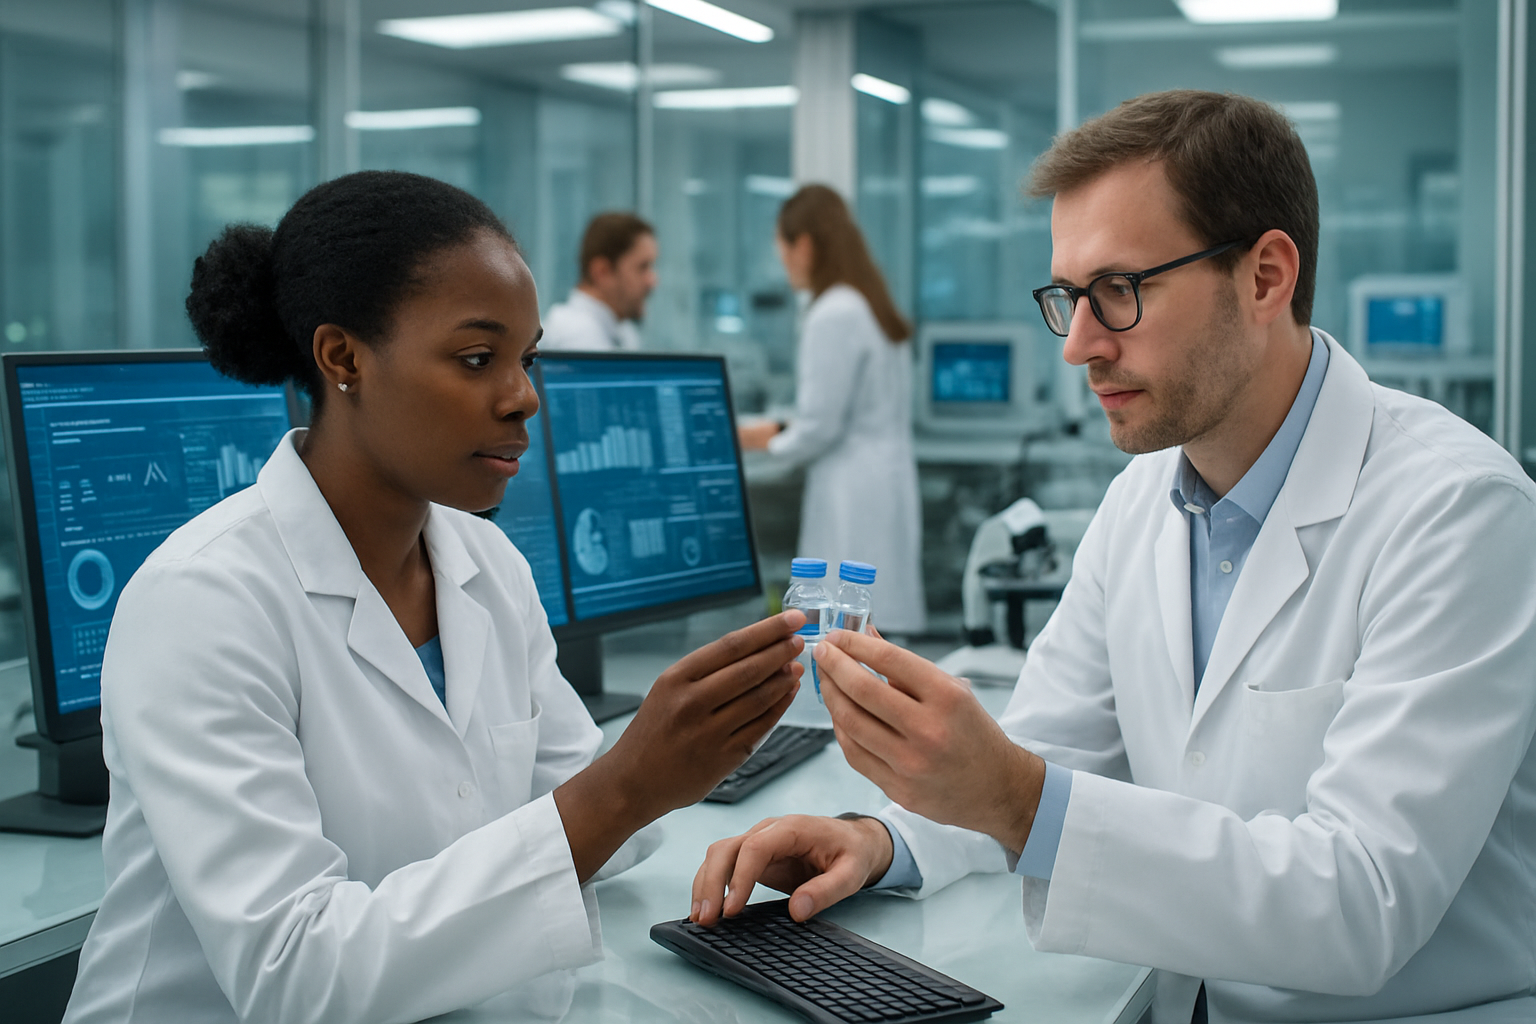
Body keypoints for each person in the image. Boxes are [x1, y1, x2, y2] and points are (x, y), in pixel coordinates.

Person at [692, 92, 1536, 1024]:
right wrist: (880, 841)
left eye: (1120, 291)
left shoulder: (1456, 511)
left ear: (1264, 277)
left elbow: (1362, 900)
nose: (1079, 347)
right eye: (1068, 298)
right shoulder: (1145, 497)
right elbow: (1047, 749)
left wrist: (1017, 799)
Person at [63, 170, 805, 1024]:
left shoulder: (486, 565)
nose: (524, 397)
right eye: (477, 359)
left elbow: (585, 815)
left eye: (527, 359)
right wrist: (626, 788)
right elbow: (295, 975)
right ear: (343, 358)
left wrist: (700, 771)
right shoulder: (203, 603)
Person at [738, 184, 926, 635]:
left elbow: (820, 427)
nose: (784, 263)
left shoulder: (833, 312)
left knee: (844, 629)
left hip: (851, 492)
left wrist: (765, 442)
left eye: (783, 250)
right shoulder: (868, 302)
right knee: (876, 631)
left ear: (803, 245)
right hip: (882, 480)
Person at [540, 211, 657, 351]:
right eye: (642, 267)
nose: (652, 281)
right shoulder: (575, 334)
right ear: (602, 271)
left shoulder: (623, 331)